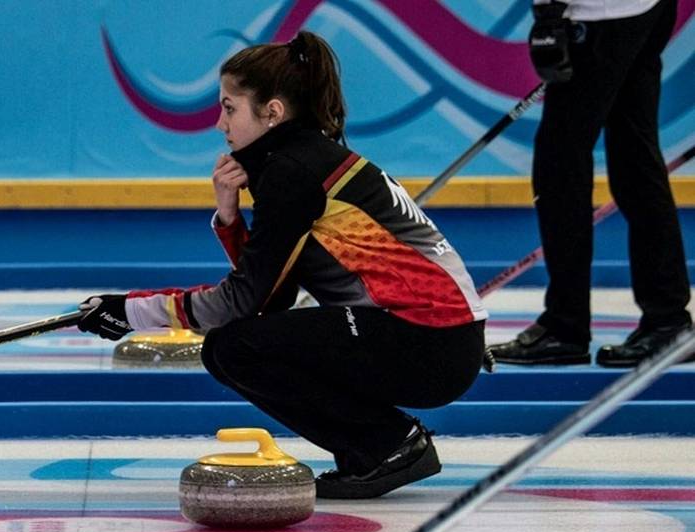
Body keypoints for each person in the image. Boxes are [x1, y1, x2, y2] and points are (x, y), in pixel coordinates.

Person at [77, 32, 488, 500]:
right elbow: (274, 297)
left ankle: (387, 444)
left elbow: (242, 301)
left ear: (272, 112)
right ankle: (384, 442)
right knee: (242, 344)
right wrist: (230, 219)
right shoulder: (301, 160)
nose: (219, 123)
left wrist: (132, 311)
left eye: (230, 108)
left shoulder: (292, 173)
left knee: (233, 348)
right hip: (439, 342)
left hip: (427, 344)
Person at [489, 0, 691, 366]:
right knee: (635, 162)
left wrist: (550, 13)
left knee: (560, 166)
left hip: (602, 15)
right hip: (642, 9)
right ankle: (667, 320)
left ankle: (565, 327)